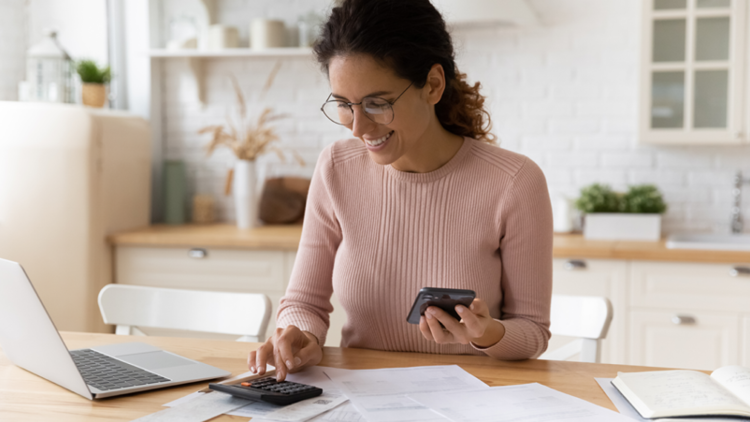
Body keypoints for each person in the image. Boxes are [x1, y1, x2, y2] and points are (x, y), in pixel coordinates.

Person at [249, 0, 553, 381]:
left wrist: (487, 333)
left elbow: (533, 332)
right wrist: (299, 334)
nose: (358, 127)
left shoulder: (514, 181)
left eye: (377, 103)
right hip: (360, 395)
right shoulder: (336, 168)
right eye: (344, 104)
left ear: (433, 85)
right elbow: (304, 302)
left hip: (473, 396)